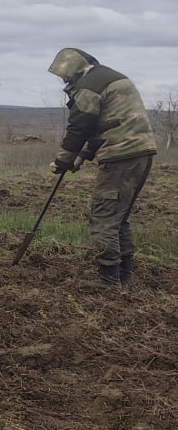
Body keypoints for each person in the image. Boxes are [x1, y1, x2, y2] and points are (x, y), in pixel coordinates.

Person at [47, 48, 156, 288]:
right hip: (140, 152)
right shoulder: (108, 77)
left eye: (64, 77)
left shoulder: (88, 86)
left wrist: (63, 161)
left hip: (121, 156)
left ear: (71, 72)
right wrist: (82, 156)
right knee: (120, 216)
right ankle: (125, 275)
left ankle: (108, 279)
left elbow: (79, 127)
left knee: (104, 216)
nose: (64, 81)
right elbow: (105, 126)